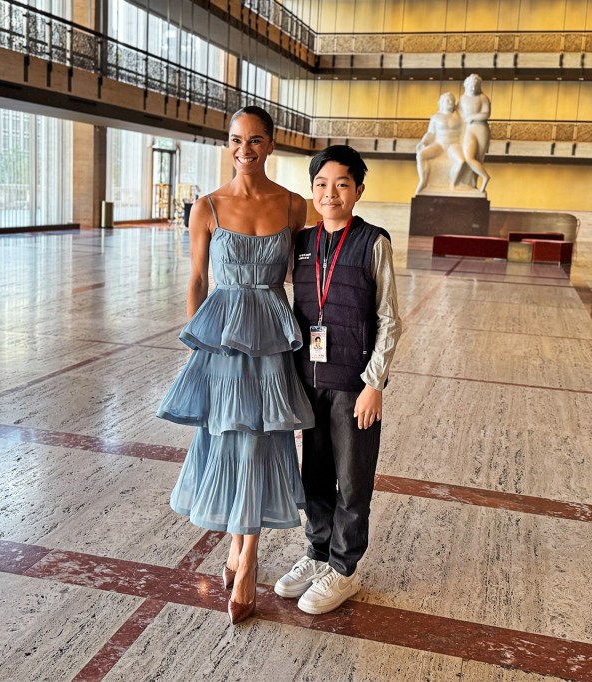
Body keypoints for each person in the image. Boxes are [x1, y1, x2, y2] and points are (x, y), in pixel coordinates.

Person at [156, 106, 313, 625]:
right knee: (230, 440)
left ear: (271, 145)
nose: (244, 149)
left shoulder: (294, 207)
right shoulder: (207, 207)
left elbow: (312, 274)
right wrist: (199, 346)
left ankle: (246, 559)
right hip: (222, 347)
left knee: (260, 442)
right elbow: (197, 282)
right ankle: (238, 549)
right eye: (236, 140)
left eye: (255, 140)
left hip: (271, 345)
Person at [275, 145, 403, 615]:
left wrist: (375, 384)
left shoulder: (374, 242)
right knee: (316, 476)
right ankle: (317, 552)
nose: (331, 193)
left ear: (359, 191)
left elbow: (389, 318)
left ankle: (344, 569)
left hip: (353, 384)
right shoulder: (302, 242)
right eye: (322, 184)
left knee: (352, 480)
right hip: (309, 380)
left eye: (342, 184)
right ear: (312, 190)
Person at [415, 92, 466, 194]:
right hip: (439, 145)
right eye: (447, 100)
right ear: (441, 103)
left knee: (461, 161)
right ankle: (423, 181)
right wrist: (423, 142)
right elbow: (430, 133)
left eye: (452, 100)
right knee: (420, 155)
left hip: (453, 145)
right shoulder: (435, 117)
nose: (450, 102)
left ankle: (453, 184)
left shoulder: (460, 116)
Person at [459, 73, 492, 193]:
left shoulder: (483, 98)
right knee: (468, 157)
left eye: (475, 86)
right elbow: (458, 114)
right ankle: (484, 177)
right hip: (468, 129)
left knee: (478, 157)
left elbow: (486, 114)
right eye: (471, 86)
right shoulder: (462, 99)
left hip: (481, 129)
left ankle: (473, 184)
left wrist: (472, 117)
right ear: (466, 85)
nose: (473, 88)